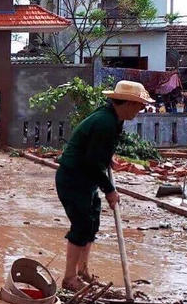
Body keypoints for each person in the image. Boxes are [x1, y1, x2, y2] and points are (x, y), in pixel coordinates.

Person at [55, 80, 153, 291]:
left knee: (91, 225)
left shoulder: (112, 118)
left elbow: (95, 152)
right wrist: (110, 190)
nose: (141, 110)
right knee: (81, 227)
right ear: (127, 103)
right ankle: (70, 277)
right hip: (74, 179)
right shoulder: (105, 122)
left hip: (86, 178)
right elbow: (91, 163)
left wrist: (106, 157)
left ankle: (83, 272)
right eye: (139, 105)